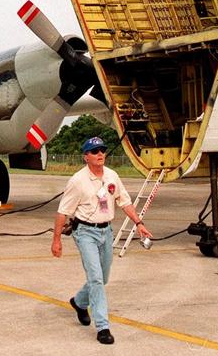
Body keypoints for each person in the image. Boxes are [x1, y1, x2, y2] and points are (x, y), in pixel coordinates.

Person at [52, 137, 151, 344]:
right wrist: (57, 240)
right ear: (85, 156)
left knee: (103, 278)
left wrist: (139, 223)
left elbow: (124, 201)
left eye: (102, 150)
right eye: (95, 151)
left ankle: (79, 302)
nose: (100, 154)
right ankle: (103, 327)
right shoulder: (78, 181)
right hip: (85, 233)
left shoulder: (112, 176)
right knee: (96, 279)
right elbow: (62, 213)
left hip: (106, 232)